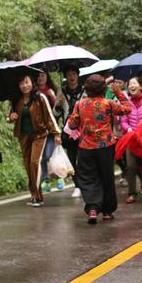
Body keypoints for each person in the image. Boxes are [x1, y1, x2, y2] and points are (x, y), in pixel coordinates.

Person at [67, 75, 131, 224]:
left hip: (86, 147)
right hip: (106, 147)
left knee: (88, 178)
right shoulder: (108, 103)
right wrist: (118, 92)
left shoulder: (80, 104)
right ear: (103, 88)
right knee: (106, 177)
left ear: (87, 88)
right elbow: (127, 109)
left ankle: (93, 209)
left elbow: (71, 125)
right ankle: (107, 211)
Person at [8, 74, 61, 207]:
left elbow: (49, 116)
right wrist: (10, 117)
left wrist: (56, 133)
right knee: (27, 165)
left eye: (26, 82)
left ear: (32, 83)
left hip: (39, 135)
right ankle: (33, 194)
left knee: (34, 162)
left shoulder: (40, 97)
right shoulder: (16, 100)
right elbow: (10, 117)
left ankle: (38, 197)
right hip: (24, 136)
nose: (24, 86)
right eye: (21, 83)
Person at [54, 66, 85, 198]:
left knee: (83, 158)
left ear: (77, 76)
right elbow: (55, 114)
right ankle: (77, 185)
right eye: (69, 74)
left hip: (83, 129)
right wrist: (58, 105)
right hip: (68, 130)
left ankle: (86, 183)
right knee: (72, 159)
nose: (71, 77)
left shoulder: (84, 90)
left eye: (74, 74)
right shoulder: (61, 91)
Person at [36, 71, 62, 192]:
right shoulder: (34, 92)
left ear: (47, 77)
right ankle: (45, 180)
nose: (40, 78)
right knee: (42, 157)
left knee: (49, 154)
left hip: (52, 128)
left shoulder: (52, 90)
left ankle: (59, 176)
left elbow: (59, 109)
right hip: (39, 129)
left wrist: (53, 97)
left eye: (43, 75)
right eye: (38, 76)